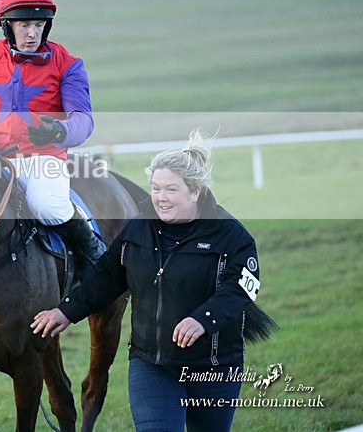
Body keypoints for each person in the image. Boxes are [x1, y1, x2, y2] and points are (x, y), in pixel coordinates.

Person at [31, 131, 272, 432]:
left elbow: (240, 291)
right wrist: (65, 311)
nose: (160, 198)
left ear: (195, 191)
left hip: (214, 368)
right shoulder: (139, 228)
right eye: (155, 188)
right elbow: (106, 277)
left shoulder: (231, 236)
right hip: (151, 365)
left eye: (171, 189)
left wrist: (201, 320)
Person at [0, 0, 104, 271]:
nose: (32, 33)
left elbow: (83, 120)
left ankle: (97, 259)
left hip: (43, 159)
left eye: (38, 25)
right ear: (7, 26)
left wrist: (60, 130)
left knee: (46, 207)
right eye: (24, 25)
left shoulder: (68, 64)